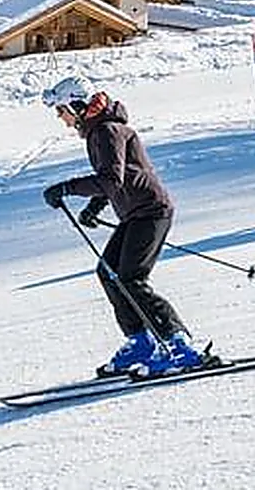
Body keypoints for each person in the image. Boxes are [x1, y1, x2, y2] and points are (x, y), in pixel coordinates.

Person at [40, 76, 206, 377]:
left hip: (151, 212)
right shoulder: (99, 130)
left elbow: (110, 180)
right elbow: (115, 180)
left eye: (61, 110)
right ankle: (141, 341)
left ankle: (180, 347)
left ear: (77, 105)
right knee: (109, 272)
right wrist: (94, 206)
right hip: (135, 214)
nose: (61, 119)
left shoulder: (106, 131)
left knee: (131, 279)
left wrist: (66, 188)